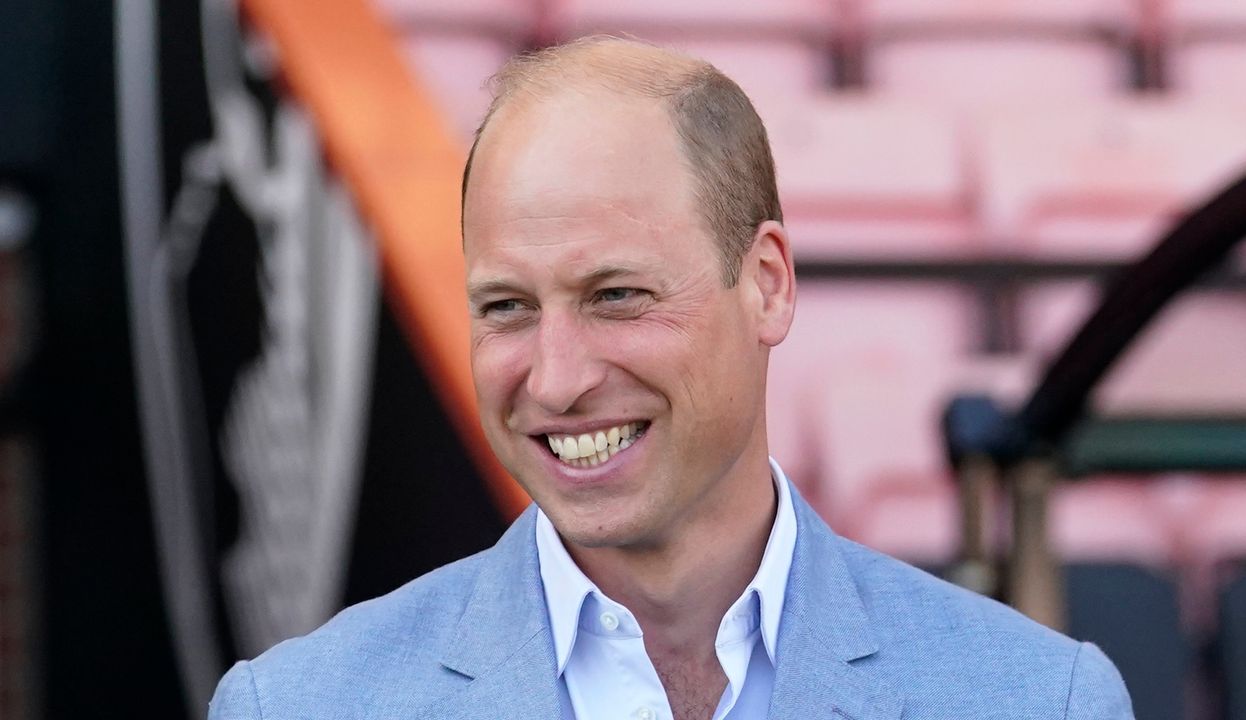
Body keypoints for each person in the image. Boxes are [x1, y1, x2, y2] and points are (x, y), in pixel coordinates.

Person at [209, 37, 1133, 719]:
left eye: (615, 295)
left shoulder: (1040, 701)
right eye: (506, 307)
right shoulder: (294, 705)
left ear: (766, 284)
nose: (558, 379)